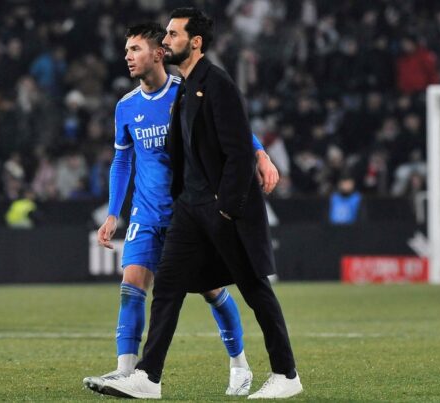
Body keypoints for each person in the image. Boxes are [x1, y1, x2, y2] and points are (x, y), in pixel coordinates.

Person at [94, 8, 302, 399]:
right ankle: (141, 374)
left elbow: (237, 134)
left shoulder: (201, 86)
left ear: (187, 44)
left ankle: (264, 368)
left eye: (170, 36)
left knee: (237, 288)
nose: (128, 55)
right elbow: (125, 159)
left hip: (210, 205)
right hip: (170, 207)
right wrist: (113, 211)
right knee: (156, 286)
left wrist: (257, 159)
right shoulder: (142, 101)